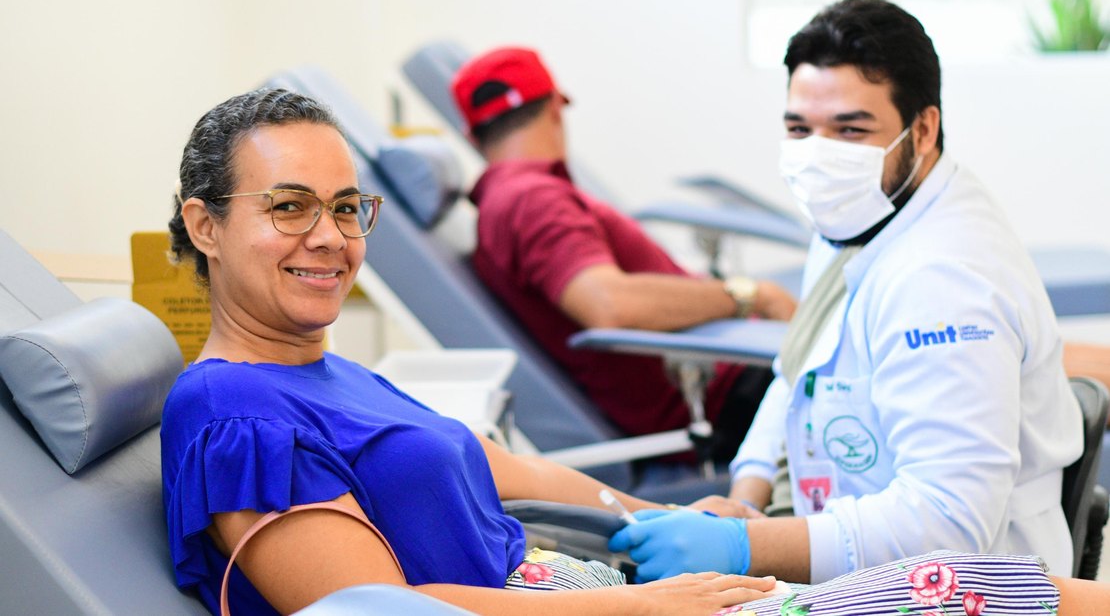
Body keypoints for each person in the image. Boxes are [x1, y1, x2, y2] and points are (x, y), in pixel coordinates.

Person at [160, 87, 1105, 616]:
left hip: (580, 585)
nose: (328, 237)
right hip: (589, 611)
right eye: (288, 207)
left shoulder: (323, 370)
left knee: (987, 588)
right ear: (204, 225)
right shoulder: (230, 412)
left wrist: (651, 515)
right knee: (960, 592)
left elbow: (495, 464)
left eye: (344, 207)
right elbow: (379, 615)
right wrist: (643, 607)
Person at [608, 0, 1085, 586]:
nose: (819, 155)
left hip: (955, 590)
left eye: (851, 130)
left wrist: (745, 545)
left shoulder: (944, 278)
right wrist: (747, 496)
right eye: (799, 129)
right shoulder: (857, 217)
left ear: (925, 128)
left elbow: (950, 525)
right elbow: (796, 372)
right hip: (851, 549)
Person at [450, 47, 797, 461]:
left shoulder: (511, 197)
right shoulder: (533, 200)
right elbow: (609, 304)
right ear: (556, 108)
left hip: (723, 367)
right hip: (729, 396)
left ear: (473, 137)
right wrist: (751, 295)